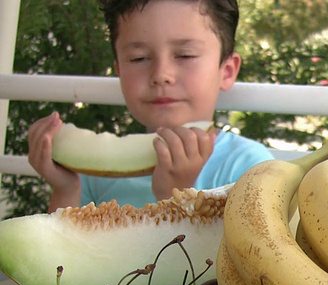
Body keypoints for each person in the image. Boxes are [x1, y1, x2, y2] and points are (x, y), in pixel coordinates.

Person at [27, 0, 274, 212]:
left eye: (185, 55)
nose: (161, 74)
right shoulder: (94, 174)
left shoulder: (248, 169)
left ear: (226, 71)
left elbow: (241, 264)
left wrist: (176, 199)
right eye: (139, 58)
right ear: (119, 71)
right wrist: (66, 189)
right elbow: (59, 266)